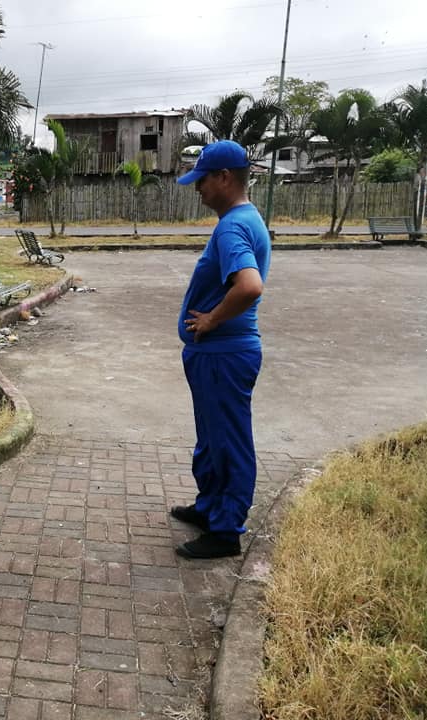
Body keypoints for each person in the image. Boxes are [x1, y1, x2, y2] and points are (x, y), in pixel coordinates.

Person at [171, 140, 271, 560]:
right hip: (217, 355)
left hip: (224, 355)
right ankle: (210, 507)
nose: (198, 188)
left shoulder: (232, 227)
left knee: (228, 442)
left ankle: (226, 531)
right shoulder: (244, 218)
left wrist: (211, 319)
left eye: (203, 180)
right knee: (213, 439)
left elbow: (249, 286)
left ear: (224, 177)